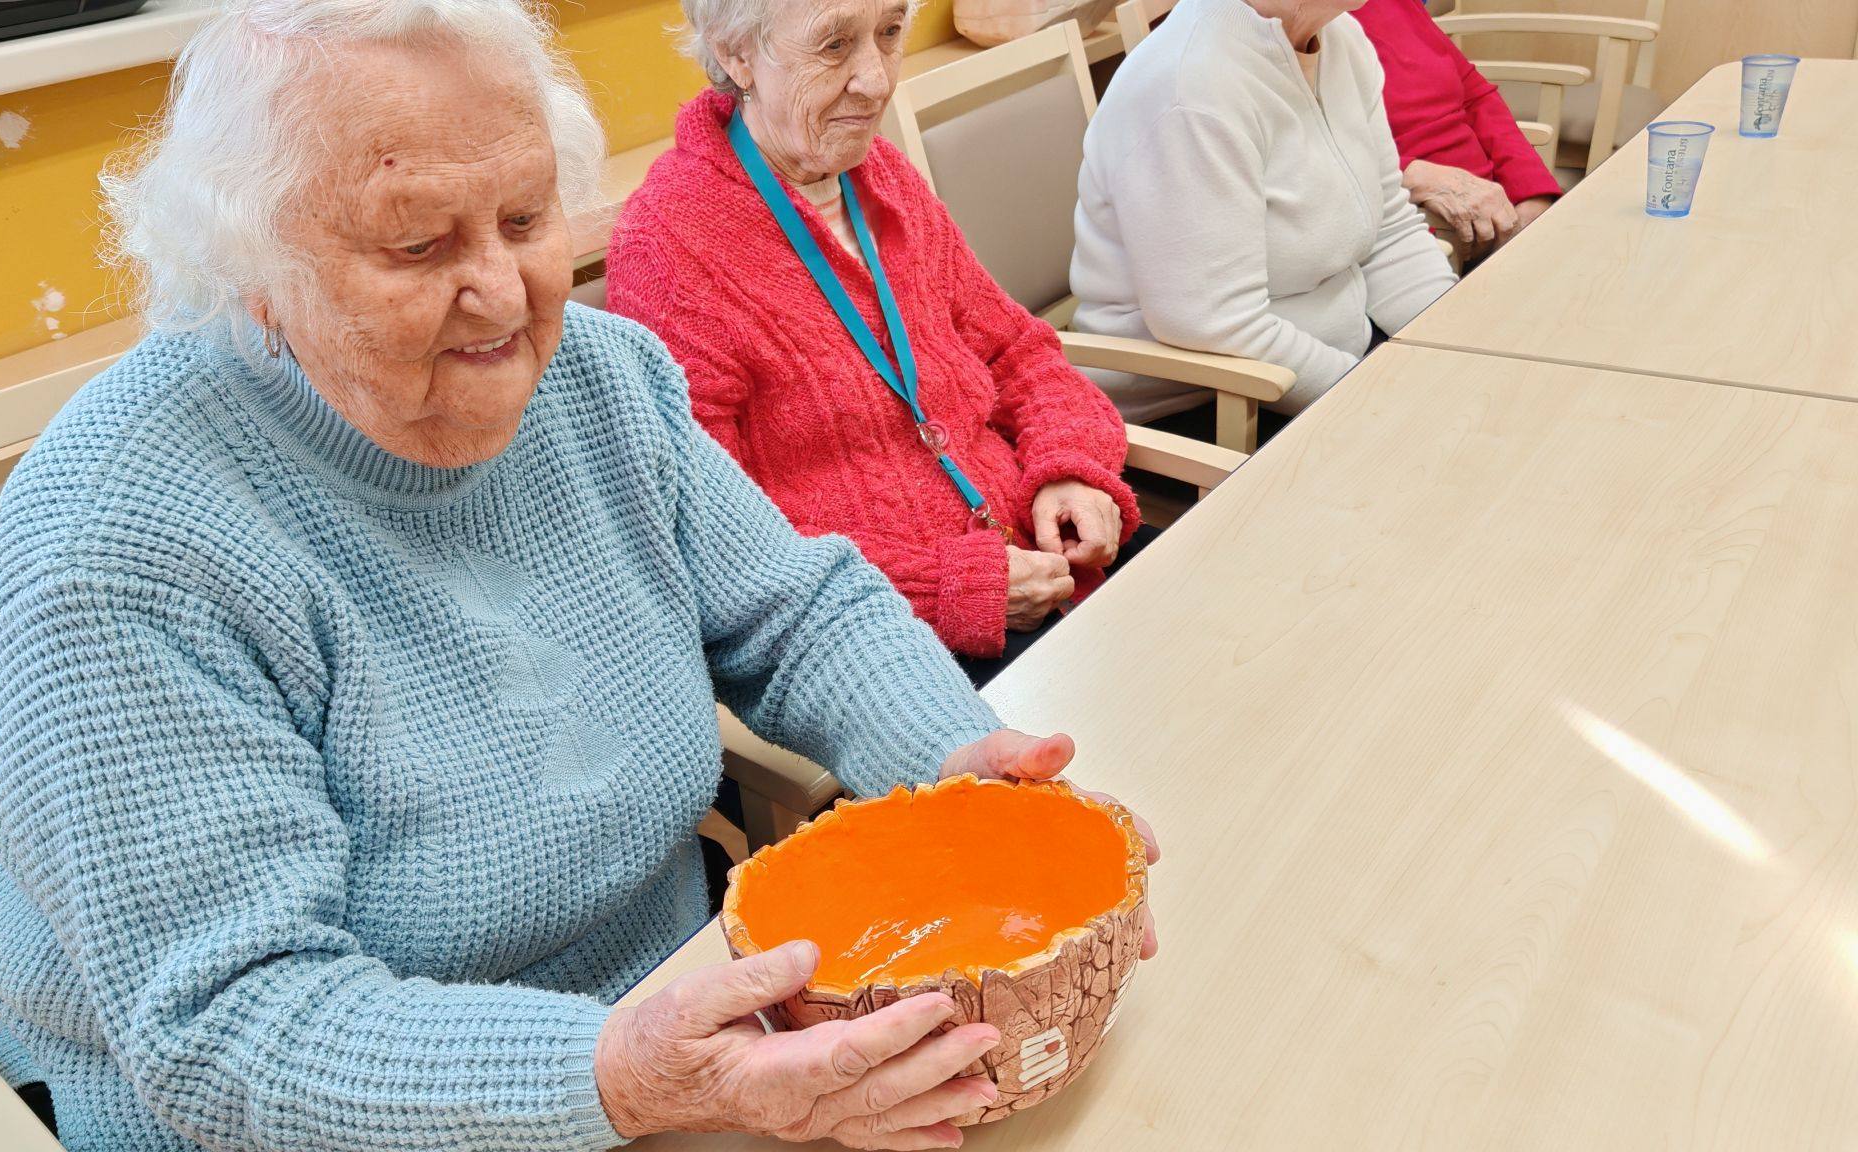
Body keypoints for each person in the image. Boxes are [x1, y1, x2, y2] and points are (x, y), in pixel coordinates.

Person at [0, 1, 1159, 1149]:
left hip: (677, 1014)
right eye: (417, 244)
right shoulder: (120, 547)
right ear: (253, 266)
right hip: (317, 1112)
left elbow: (799, 615)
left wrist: (960, 770)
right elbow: (235, 1025)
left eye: (526, 218)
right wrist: (617, 1074)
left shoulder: (601, 381)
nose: (503, 294)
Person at [608, 0, 1150, 684]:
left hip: (1044, 558)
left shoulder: (880, 177)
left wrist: (1070, 469)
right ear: (736, 53)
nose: (877, 79)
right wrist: (950, 587)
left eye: (890, 33)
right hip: (881, 651)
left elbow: (1016, 350)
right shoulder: (668, 250)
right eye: (834, 45)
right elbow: (717, 540)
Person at [1072, 0, 1458, 420]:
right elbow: (1218, 325)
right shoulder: (1190, 89)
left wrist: (1455, 345)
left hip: (1339, 361)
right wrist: (1379, 402)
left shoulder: (1341, 38)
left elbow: (1391, 232)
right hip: (1208, 406)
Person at [1353, 0, 1561, 264]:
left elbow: (1475, 95)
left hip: (1497, 213)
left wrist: (1532, 193)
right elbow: (1315, 153)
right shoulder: (1310, 25)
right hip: (1417, 231)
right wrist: (1413, 175)